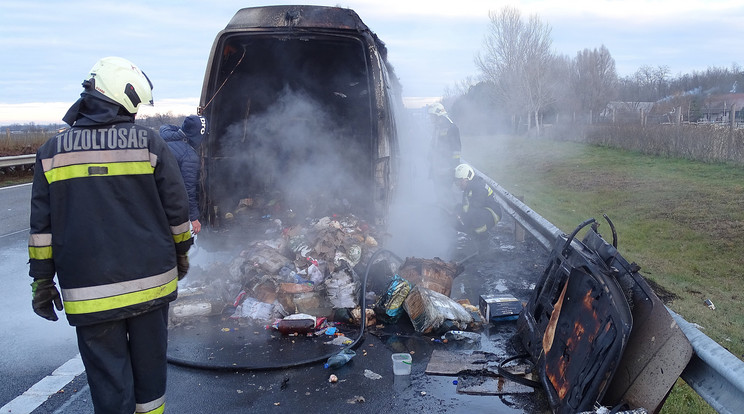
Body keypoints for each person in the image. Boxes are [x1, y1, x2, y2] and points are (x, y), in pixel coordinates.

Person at [27, 56, 193, 414]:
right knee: (150, 379)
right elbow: (177, 211)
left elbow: (42, 230)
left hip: (89, 293)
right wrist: (182, 253)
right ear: (121, 98)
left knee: (109, 382)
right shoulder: (149, 143)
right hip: (153, 283)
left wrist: (42, 282)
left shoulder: (51, 152)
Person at [160, 115, 207, 234]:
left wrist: (183, 132)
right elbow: (188, 190)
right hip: (169, 201)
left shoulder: (165, 135)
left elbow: (166, 127)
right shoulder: (189, 156)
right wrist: (194, 218)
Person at [453, 163, 501, 241]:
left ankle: (482, 238)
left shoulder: (479, 188)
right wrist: (457, 212)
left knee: (474, 217)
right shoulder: (470, 186)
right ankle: (474, 233)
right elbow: (466, 206)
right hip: (483, 211)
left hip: (493, 213)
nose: (458, 185)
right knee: (458, 209)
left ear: (466, 179)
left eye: (459, 182)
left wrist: (462, 219)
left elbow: (473, 208)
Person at [427, 102, 461, 203]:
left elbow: (456, 150)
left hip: (447, 170)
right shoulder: (437, 127)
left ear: (438, 115)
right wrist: (430, 156)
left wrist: (454, 167)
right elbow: (435, 145)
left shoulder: (451, 128)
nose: (430, 118)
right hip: (437, 168)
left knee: (447, 194)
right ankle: (441, 211)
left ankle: (450, 214)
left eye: (432, 116)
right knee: (439, 193)